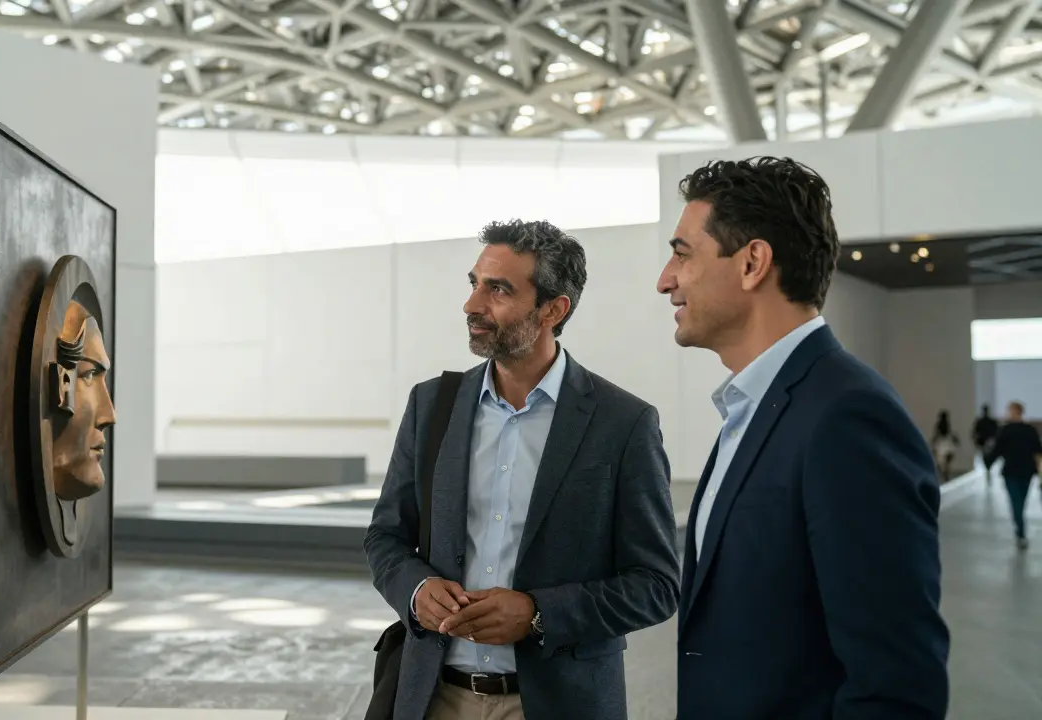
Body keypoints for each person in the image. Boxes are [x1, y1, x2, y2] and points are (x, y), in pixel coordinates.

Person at [657, 157, 949, 719]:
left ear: (752, 263)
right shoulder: (754, 407)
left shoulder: (847, 417)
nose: (665, 279)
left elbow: (895, 686)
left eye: (682, 253)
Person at [366, 220, 680, 720]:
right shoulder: (432, 406)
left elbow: (655, 585)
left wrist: (538, 613)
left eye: (499, 290)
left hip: (560, 704)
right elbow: (385, 537)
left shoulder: (623, 423)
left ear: (554, 310)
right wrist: (417, 590)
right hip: (435, 698)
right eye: (475, 283)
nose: (472, 304)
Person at [984, 401, 1042, 549]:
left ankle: (1020, 531)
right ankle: (1020, 530)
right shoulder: (1030, 430)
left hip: (1011, 471)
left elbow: (997, 450)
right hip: (1027, 471)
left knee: (1016, 502)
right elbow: (1038, 452)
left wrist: (988, 463)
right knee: (1021, 501)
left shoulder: (1005, 430)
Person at [931, 410, 960, 482]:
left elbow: (938, 434)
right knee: (943, 462)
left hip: (942, 443)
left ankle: (944, 473)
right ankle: (944, 473)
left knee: (942, 461)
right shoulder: (944, 424)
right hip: (944, 443)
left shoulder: (942, 424)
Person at [973, 403, 1000, 475]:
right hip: (988, 442)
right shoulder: (991, 422)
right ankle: (988, 468)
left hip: (985, 442)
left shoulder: (981, 422)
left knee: (986, 456)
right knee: (987, 456)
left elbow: (975, 432)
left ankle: (988, 468)